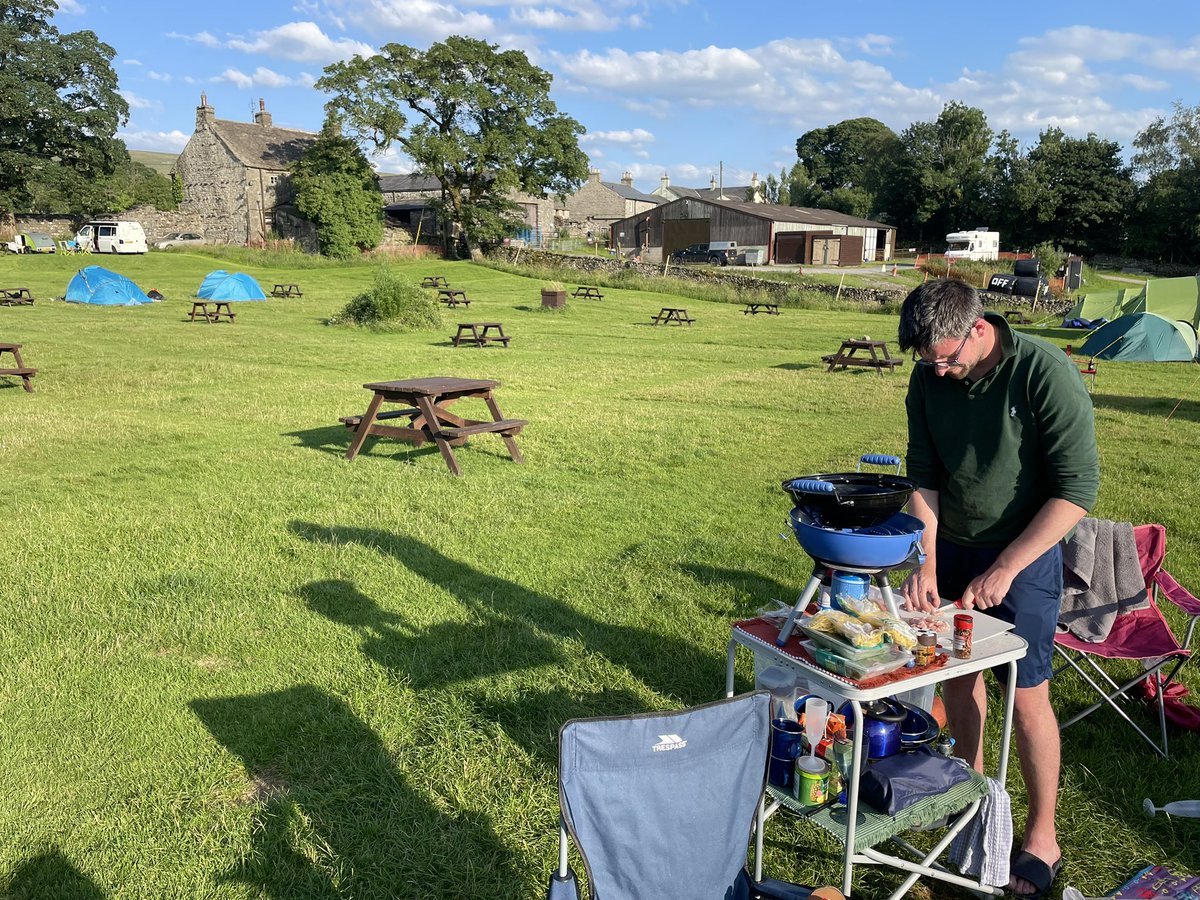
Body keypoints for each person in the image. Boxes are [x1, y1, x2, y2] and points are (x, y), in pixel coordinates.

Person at [896, 278, 1099, 900]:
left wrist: (1008, 566)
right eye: (930, 362)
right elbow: (925, 477)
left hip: (1027, 549)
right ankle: (974, 801)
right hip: (953, 542)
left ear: (980, 330)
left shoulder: (1044, 372)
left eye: (949, 359)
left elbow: (1076, 490)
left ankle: (1042, 836)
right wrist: (926, 562)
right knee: (958, 676)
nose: (941, 371)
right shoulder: (929, 375)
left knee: (1026, 694)